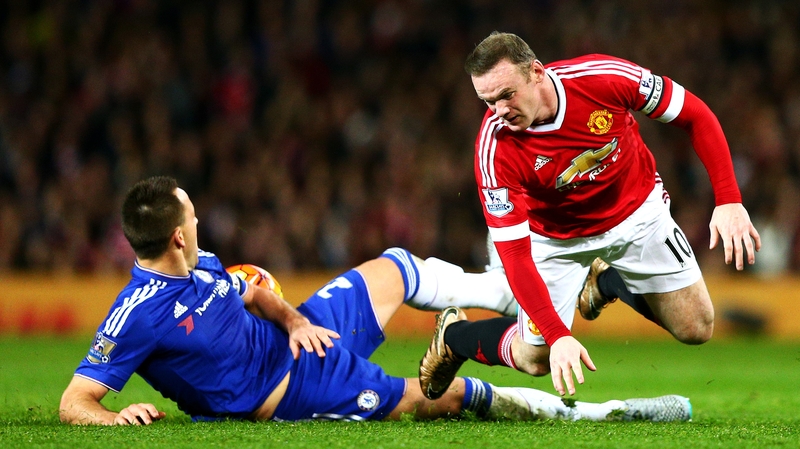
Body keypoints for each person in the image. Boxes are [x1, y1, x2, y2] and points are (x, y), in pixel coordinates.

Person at [59, 176, 690, 425]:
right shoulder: (135, 312)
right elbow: (74, 401)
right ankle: (605, 415)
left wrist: (297, 316)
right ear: (174, 234)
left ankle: (509, 296)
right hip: (292, 395)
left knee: (393, 268)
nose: (200, 219)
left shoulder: (203, 264)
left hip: (306, 336)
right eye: (192, 215)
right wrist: (113, 419)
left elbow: (251, 294)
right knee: (435, 400)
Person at [418, 31, 762, 400]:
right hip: (554, 240)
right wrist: (558, 334)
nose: (499, 111)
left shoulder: (604, 78)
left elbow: (697, 116)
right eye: (488, 102)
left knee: (697, 328)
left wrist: (728, 200)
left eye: (506, 95)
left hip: (637, 213)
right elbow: (516, 256)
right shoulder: (495, 148)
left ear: (536, 72)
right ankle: (454, 337)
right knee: (536, 358)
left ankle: (605, 282)